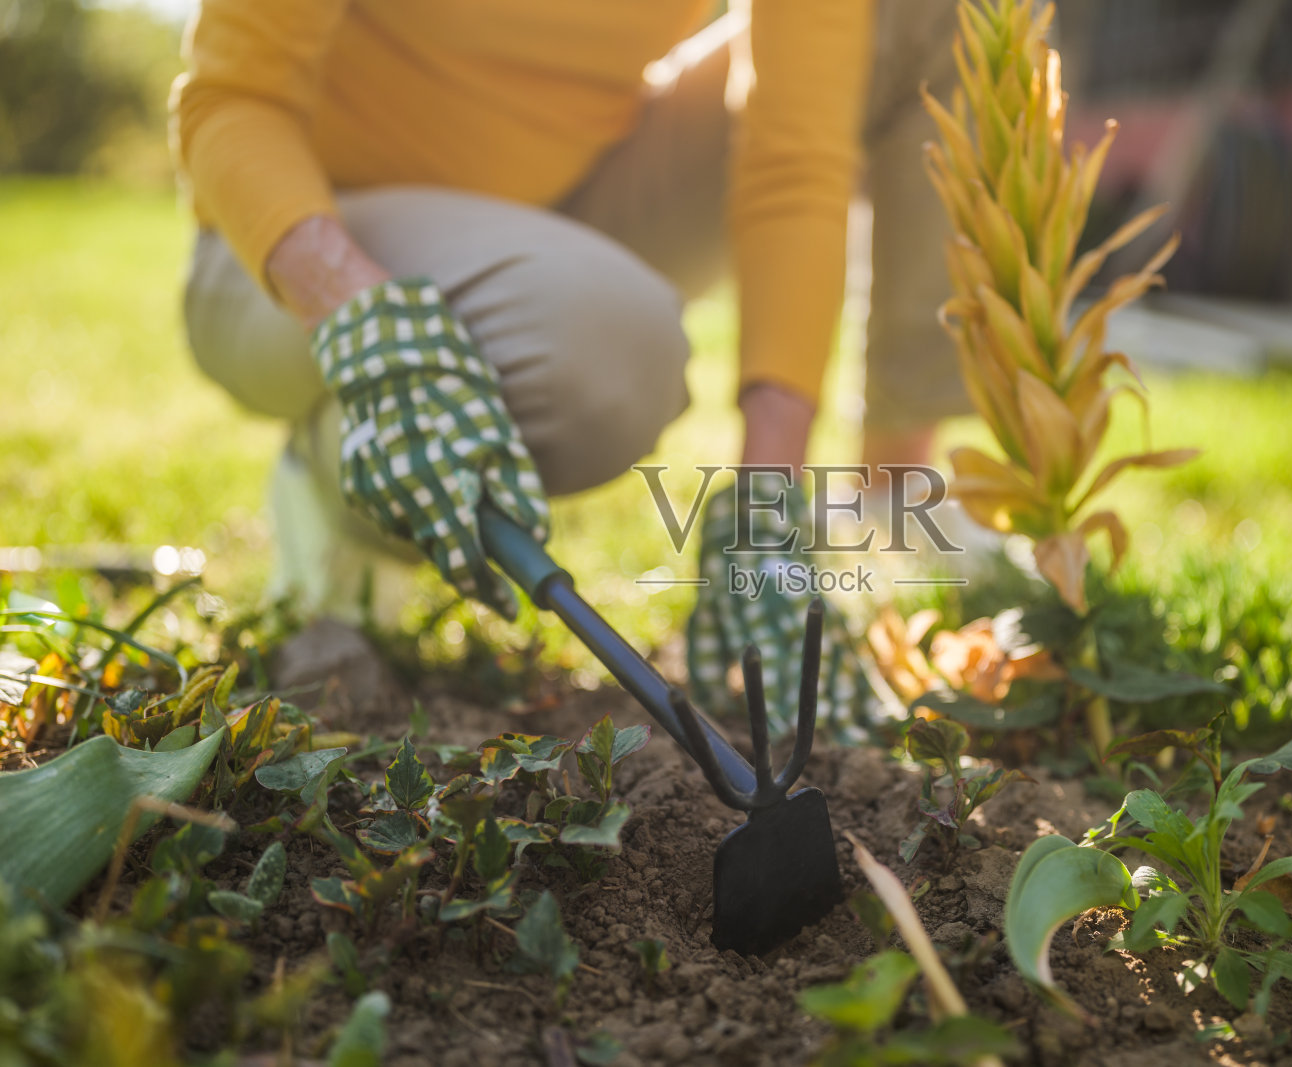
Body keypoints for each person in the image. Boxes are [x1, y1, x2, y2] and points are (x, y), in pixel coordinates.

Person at [171, 0, 970, 734]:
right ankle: (343, 452)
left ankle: (886, 516)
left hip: (565, 197)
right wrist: (363, 316)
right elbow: (231, 98)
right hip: (294, 242)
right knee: (610, 355)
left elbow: (794, 155)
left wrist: (767, 504)